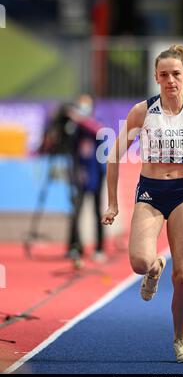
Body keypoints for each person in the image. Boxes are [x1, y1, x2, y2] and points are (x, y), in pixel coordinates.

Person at [101, 45, 183, 363]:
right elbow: (113, 155)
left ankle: (180, 340)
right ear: (156, 76)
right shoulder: (142, 111)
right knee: (139, 262)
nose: (170, 80)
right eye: (164, 74)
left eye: (176, 74)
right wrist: (113, 204)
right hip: (150, 193)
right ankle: (154, 268)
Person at [65, 94, 107, 262]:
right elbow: (71, 148)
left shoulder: (94, 122)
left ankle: (99, 247)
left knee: (97, 211)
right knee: (76, 211)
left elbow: (100, 132)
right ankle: (75, 246)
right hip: (80, 173)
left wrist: (80, 119)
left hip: (97, 173)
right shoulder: (76, 128)